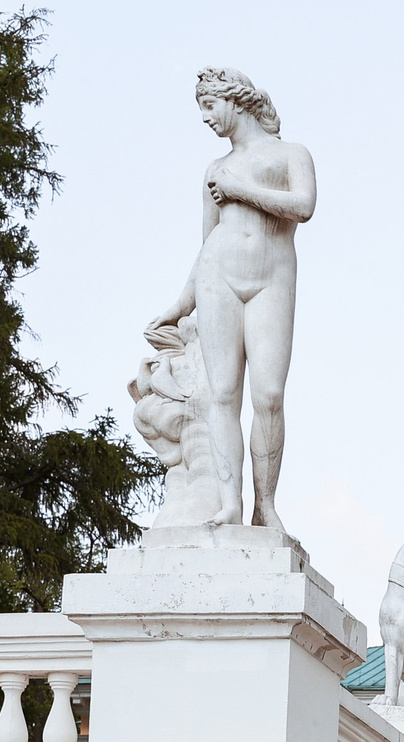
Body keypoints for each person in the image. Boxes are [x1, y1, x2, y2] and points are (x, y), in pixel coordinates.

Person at [147, 67, 316, 532]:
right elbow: (206, 245)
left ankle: (266, 505)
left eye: (209, 106)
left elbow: (303, 207)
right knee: (222, 394)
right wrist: (181, 304)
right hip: (217, 279)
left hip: (272, 279)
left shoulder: (292, 154)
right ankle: (229, 505)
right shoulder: (213, 170)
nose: (205, 118)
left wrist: (240, 190)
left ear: (234, 102)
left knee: (269, 395)